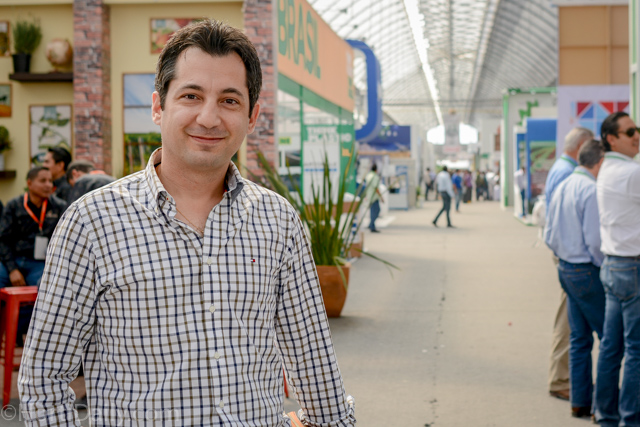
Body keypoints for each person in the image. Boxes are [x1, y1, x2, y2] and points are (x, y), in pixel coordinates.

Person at [19, 20, 355, 426]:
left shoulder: (278, 221)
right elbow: (44, 379)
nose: (209, 118)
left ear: (252, 116)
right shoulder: (92, 223)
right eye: (191, 96)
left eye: (229, 100)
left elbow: (313, 359)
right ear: (158, 107)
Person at [544, 139, 605, 419]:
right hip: (586, 271)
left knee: (579, 338)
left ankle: (580, 402)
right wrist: (602, 267)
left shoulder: (564, 185)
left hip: (566, 269)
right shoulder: (590, 190)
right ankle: (603, 406)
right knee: (610, 340)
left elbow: (549, 234)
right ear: (600, 162)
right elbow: (595, 241)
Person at [594, 112, 640, 427]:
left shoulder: (607, 169)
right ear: (612, 139)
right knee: (635, 349)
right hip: (631, 267)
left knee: (611, 346)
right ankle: (630, 418)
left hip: (612, 265)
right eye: (630, 131)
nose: (637, 136)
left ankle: (605, 413)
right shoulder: (631, 173)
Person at [0, 166, 67, 289]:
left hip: (41, 262)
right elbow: (3, 240)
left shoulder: (59, 207)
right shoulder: (14, 205)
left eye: (50, 181)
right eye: (43, 181)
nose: (48, 185)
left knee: (45, 286)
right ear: (29, 183)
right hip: (14, 259)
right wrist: (12, 269)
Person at [365, 163, 384, 233]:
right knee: (377, 210)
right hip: (374, 197)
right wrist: (381, 197)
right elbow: (376, 187)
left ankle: (371, 224)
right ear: (376, 170)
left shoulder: (368, 175)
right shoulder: (375, 177)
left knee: (372, 211)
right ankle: (372, 226)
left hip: (369, 196)